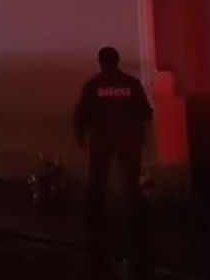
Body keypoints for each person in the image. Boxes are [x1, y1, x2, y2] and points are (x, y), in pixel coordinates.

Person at [73, 46, 153, 278]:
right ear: (117, 61)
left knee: (97, 180)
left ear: (100, 62)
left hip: (102, 140)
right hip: (129, 139)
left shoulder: (93, 85)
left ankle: (94, 222)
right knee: (132, 181)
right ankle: (136, 220)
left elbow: (80, 115)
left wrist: (80, 138)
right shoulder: (132, 84)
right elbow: (146, 113)